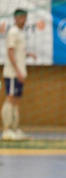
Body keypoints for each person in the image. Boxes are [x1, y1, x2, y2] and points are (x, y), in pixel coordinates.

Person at [2, 8, 36, 141]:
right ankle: (6, 130)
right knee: (10, 98)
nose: (23, 20)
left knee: (16, 101)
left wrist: (27, 55)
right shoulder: (13, 32)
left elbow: (17, 53)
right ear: (15, 18)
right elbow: (10, 53)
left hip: (20, 72)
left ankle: (15, 129)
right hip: (12, 73)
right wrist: (17, 72)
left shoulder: (21, 33)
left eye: (25, 18)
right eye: (21, 17)